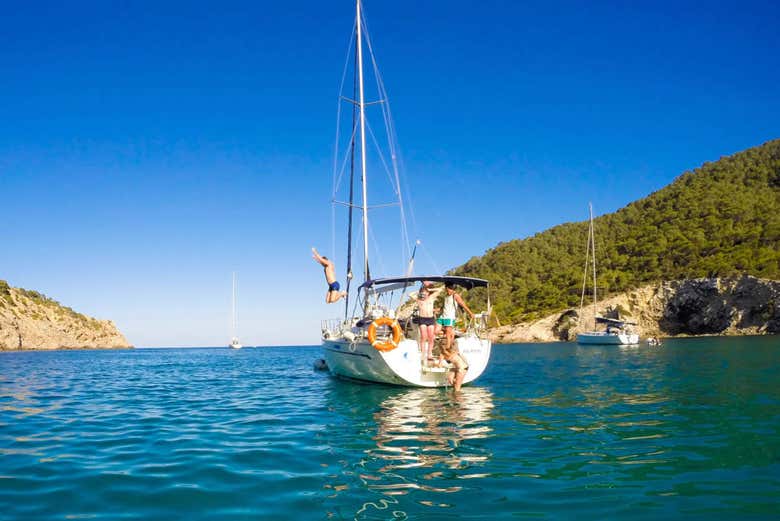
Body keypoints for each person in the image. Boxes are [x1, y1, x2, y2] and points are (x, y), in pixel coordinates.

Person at [437, 282, 475, 354]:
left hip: (449, 317)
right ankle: (449, 343)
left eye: (452, 288)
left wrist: (470, 313)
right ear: (446, 288)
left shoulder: (455, 295)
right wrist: (436, 310)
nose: (451, 289)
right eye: (449, 288)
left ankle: (448, 350)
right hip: (443, 316)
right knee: (436, 330)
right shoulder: (446, 296)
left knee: (448, 333)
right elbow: (444, 307)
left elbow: (463, 304)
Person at [415, 284, 437, 366]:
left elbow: (439, 290)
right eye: (423, 293)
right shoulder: (419, 300)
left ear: (428, 293)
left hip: (430, 319)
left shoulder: (431, 298)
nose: (424, 294)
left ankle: (429, 353)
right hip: (422, 319)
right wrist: (420, 293)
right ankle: (423, 353)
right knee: (424, 337)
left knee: (431, 337)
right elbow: (409, 295)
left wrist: (429, 290)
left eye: (426, 293)